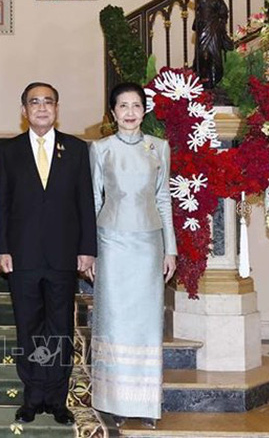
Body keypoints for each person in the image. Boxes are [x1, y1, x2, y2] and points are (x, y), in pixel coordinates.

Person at [0, 82, 97, 426]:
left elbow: (86, 202)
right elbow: (2, 205)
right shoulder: (9, 152)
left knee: (60, 329)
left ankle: (56, 397)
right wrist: (2, 249)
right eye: (34, 102)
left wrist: (87, 250)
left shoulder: (77, 149)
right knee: (28, 328)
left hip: (64, 255)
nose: (41, 108)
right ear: (23, 111)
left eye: (48, 102)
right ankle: (32, 395)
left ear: (57, 108)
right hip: (21, 256)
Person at [89, 82, 177, 429]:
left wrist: (170, 248)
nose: (129, 112)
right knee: (115, 321)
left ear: (145, 110)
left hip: (148, 244)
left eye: (136, 106)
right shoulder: (100, 149)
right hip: (111, 243)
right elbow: (95, 200)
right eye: (122, 106)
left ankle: (145, 402)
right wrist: (91, 251)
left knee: (145, 323)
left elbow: (164, 199)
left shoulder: (159, 148)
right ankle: (114, 402)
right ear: (113, 112)